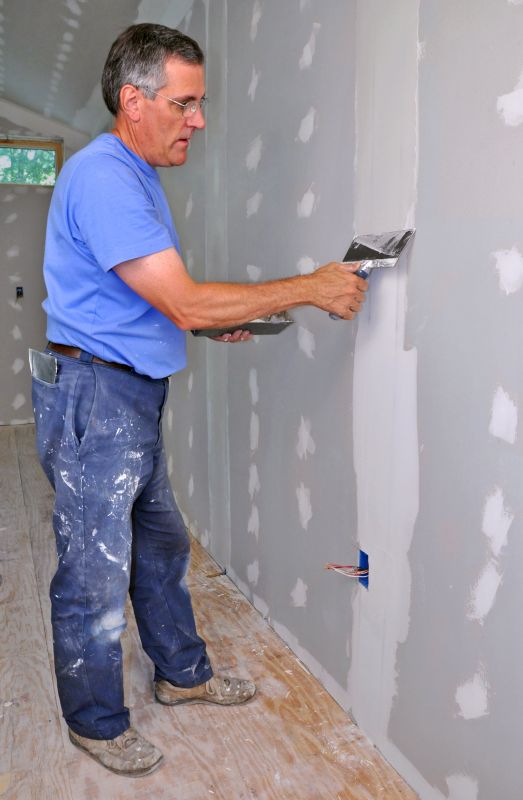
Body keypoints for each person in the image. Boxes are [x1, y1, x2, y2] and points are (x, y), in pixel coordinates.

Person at [30, 23, 367, 778]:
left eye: (200, 103)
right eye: (186, 104)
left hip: (126, 392)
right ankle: (95, 721)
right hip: (95, 401)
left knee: (158, 545)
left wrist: (214, 323)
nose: (200, 121)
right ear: (134, 101)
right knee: (92, 568)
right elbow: (180, 299)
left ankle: (181, 675)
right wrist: (310, 287)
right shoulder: (105, 177)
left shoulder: (136, 172)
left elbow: (144, 297)